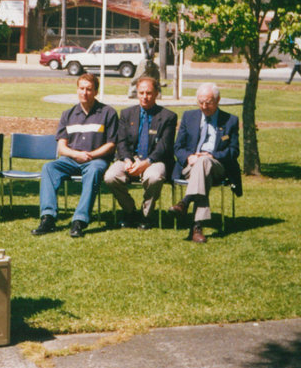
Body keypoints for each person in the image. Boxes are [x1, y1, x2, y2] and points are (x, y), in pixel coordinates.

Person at [31, 73, 118, 238]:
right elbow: (61, 147)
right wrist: (76, 155)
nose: (84, 93)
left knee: (93, 171)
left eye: (89, 89)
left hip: (95, 160)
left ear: (96, 91)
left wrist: (90, 155)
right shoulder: (68, 114)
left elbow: (111, 144)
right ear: (77, 90)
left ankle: (79, 221)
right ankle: (48, 218)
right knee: (49, 168)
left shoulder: (108, 113)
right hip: (70, 159)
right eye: (81, 88)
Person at [170, 82, 241, 244]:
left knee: (205, 162)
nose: (204, 106)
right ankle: (196, 227)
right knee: (202, 169)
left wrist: (212, 155)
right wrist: (189, 157)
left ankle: (185, 202)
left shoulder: (230, 121)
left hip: (218, 165)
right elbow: (178, 146)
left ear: (218, 100)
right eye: (200, 102)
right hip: (191, 165)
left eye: (208, 102)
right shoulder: (189, 117)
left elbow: (234, 151)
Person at [103, 75, 177, 229]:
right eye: (141, 92)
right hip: (129, 159)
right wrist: (127, 160)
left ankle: (146, 215)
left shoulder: (168, 116)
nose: (145, 97)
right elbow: (121, 141)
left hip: (155, 160)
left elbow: (164, 146)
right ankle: (130, 211)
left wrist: (146, 163)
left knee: (154, 177)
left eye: (149, 93)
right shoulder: (126, 114)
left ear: (157, 93)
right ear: (137, 93)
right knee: (110, 176)